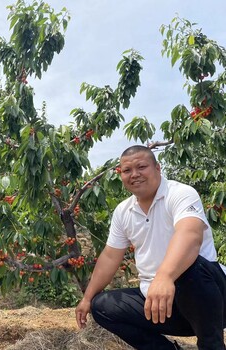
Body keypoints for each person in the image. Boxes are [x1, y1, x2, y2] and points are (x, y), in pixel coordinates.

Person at [75, 145, 226, 350]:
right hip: (160, 304)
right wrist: (87, 298)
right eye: (127, 170)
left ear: (157, 168)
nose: (134, 174)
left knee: (190, 267)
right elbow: (110, 256)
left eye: (141, 167)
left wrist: (164, 277)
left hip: (210, 300)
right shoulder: (123, 211)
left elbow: (190, 235)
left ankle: (212, 345)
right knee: (102, 306)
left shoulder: (180, 193)